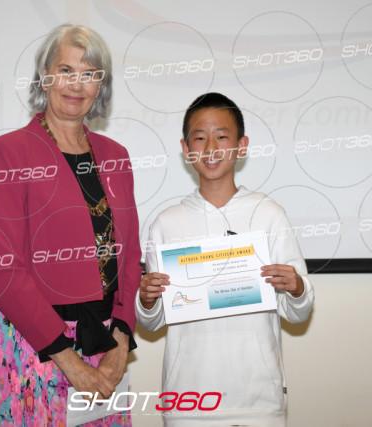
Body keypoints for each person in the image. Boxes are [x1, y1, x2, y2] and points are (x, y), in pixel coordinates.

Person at [0, 24, 141, 426]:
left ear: (100, 86)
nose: (76, 84)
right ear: (45, 76)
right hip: (38, 346)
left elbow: (130, 256)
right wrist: (69, 361)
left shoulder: (116, 156)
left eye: (89, 74)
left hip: (106, 345)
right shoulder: (8, 153)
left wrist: (121, 340)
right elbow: (1, 270)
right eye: (66, 70)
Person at [135, 92, 314, 426]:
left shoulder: (269, 214)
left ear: (241, 145)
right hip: (188, 402)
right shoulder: (166, 224)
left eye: (222, 136)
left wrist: (297, 288)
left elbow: (298, 313)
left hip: (258, 401)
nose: (211, 148)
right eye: (199, 138)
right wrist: (146, 300)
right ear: (186, 149)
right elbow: (151, 322)